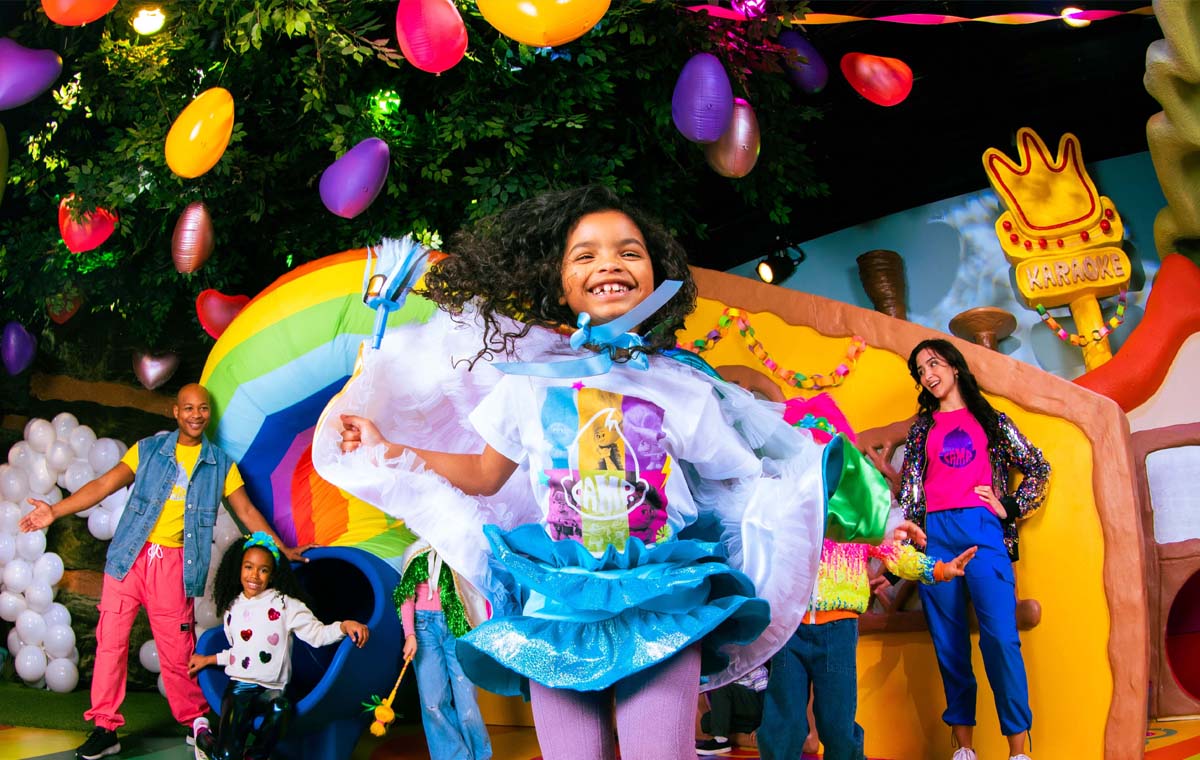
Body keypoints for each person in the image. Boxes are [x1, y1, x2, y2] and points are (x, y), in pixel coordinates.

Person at [318, 186, 887, 760]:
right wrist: (390, 448)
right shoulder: (527, 383)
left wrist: (831, 509)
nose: (609, 263)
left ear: (656, 272)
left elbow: (741, 482)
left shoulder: (681, 387)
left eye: (629, 251)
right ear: (559, 281)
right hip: (558, 607)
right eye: (584, 254)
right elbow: (485, 473)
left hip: (660, 601)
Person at [19, 383, 311, 760]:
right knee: (111, 643)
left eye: (202, 408)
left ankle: (195, 722)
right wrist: (54, 511)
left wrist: (280, 547)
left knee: (177, 651)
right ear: (175, 411)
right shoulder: (148, 451)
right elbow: (104, 484)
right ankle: (106, 728)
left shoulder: (220, 464)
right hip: (129, 557)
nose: (195, 415)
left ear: (209, 413)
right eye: (188, 408)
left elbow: (249, 513)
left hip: (174, 565)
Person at [869, 338, 1050, 760]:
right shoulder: (921, 432)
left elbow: (1039, 468)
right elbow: (910, 505)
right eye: (920, 370)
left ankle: (1019, 752)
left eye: (933, 363)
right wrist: (896, 568)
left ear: (953, 365)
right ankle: (965, 750)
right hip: (935, 536)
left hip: (984, 531)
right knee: (949, 644)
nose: (928, 375)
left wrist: (1008, 506)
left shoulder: (992, 421)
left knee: (1001, 640)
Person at [758, 527, 976, 760]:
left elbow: (896, 554)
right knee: (782, 721)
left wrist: (939, 569)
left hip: (838, 630)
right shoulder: (793, 509)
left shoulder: (858, 517)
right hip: (790, 628)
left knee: (837, 722)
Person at [186, 532, 369, 760]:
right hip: (239, 689)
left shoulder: (285, 605)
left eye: (263, 570)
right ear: (239, 569)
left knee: (283, 706)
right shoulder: (233, 607)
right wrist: (209, 659)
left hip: (273, 691)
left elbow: (317, 634)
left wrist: (343, 626)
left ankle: (254, 756)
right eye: (248, 567)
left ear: (272, 575)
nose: (255, 575)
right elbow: (240, 652)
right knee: (225, 756)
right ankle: (204, 738)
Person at [397, 539, 492, 760]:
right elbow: (405, 596)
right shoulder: (414, 551)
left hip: (456, 625)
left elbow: (475, 591)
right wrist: (410, 634)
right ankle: (454, 757)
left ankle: (480, 756)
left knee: (468, 702)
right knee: (433, 702)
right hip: (423, 628)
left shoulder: (460, 548)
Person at [695, 664, 768, 755]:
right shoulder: (726, 670)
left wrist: (764, 725)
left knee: (722, 686)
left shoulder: (756, 668)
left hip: (754, 709)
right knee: (706, 722)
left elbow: (764, 698)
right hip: (742, 717)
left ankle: (721, 740)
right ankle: (746, 728)